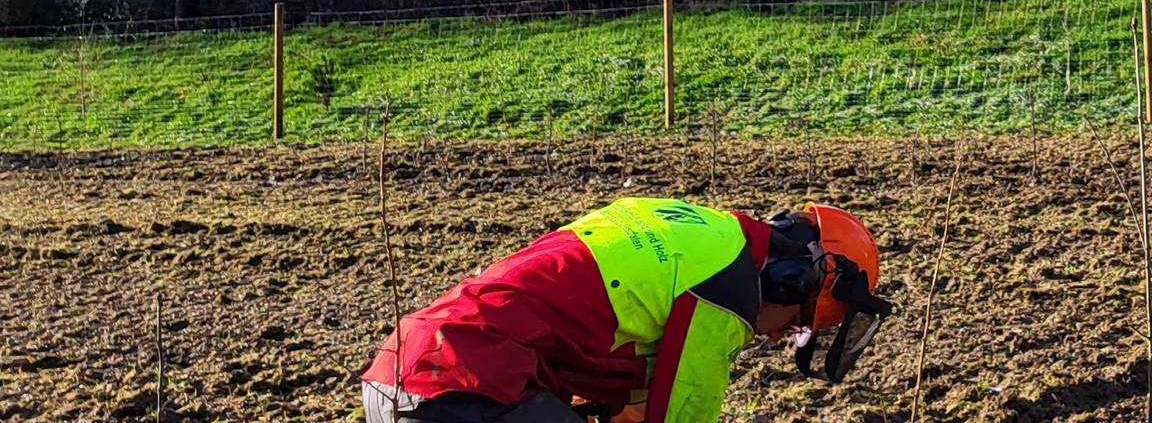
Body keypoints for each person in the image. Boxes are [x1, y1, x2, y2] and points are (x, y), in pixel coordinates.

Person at [361, 198, 891, 423]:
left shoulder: (689, 231)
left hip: (403, 367)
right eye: (797, 324)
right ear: (793, 279)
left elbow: (601, 334)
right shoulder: (726, 290)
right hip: (464, 386)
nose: (778, 339)